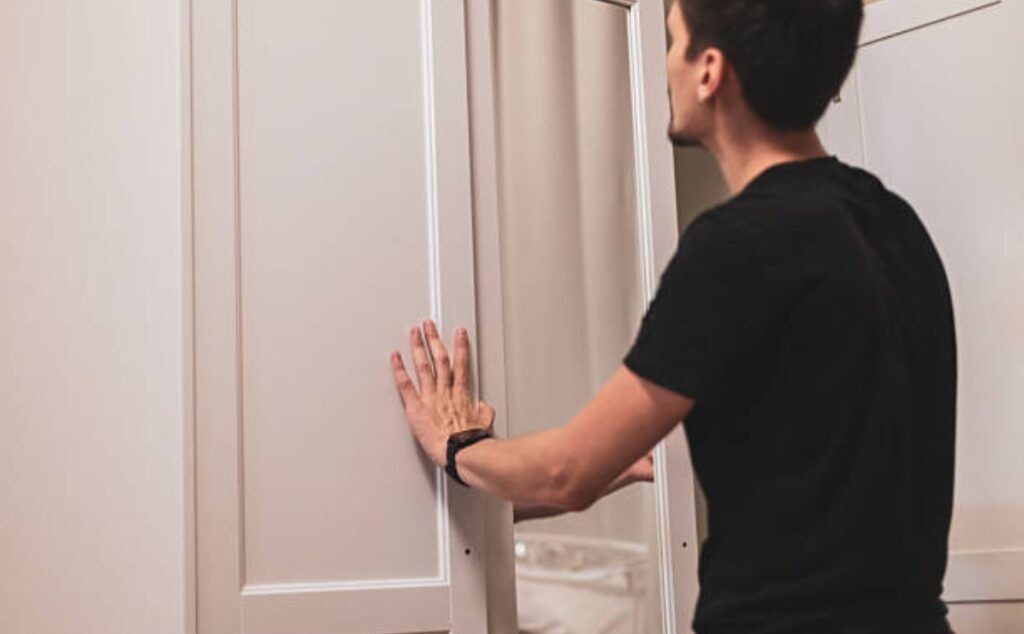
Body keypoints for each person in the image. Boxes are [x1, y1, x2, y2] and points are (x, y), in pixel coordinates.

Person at [390, 0, 957, 631]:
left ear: (709, 71)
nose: (666, 67)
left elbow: (565, 473)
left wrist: (456, 446)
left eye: (672, 41)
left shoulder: (740, 242)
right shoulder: (895, 223)